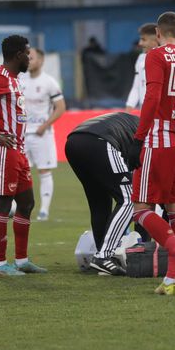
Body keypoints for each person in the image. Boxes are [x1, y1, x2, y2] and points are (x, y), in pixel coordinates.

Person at [132, 11, 175, 296]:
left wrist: (139, 137)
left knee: (141, 209)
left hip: (161, 140)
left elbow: (152, 97)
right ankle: (172, 280)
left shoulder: (156, 56)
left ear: (158, 35)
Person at [0, 35, 46, 277]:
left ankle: (22, 259)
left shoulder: (14, 80)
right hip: (2, 150)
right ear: (18, 56)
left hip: (18, 150)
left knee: (27, 203)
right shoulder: (0, 78)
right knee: (3, 205)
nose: (29, 58)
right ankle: (0, 263)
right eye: (27, 54)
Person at [65, 111, 142, 276]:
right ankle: (104, 255)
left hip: (73, 141)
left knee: (99, 202)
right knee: (131, 199)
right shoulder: (154, 136)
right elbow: (146, 191)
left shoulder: (133, 122)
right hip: (100, 141)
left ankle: (102, 258)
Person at [19, 47, 65, 221]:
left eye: (31, 58)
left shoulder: (49, 82)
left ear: (41, 60)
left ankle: (44, 210)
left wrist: (45, 126)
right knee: (20, 172)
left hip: (41, 134)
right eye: (27, 58)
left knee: (44, 171)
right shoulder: (21, 80)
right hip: (22, 134)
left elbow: (61, 108)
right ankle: (17, 206)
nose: (28, 60)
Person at [125, 23, 158, 110]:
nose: (140, 43)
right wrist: (127, 111)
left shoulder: (165, 59)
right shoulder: (141, 58)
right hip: (144, 111)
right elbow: (136, 86)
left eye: (143, 39)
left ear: (155, 40)